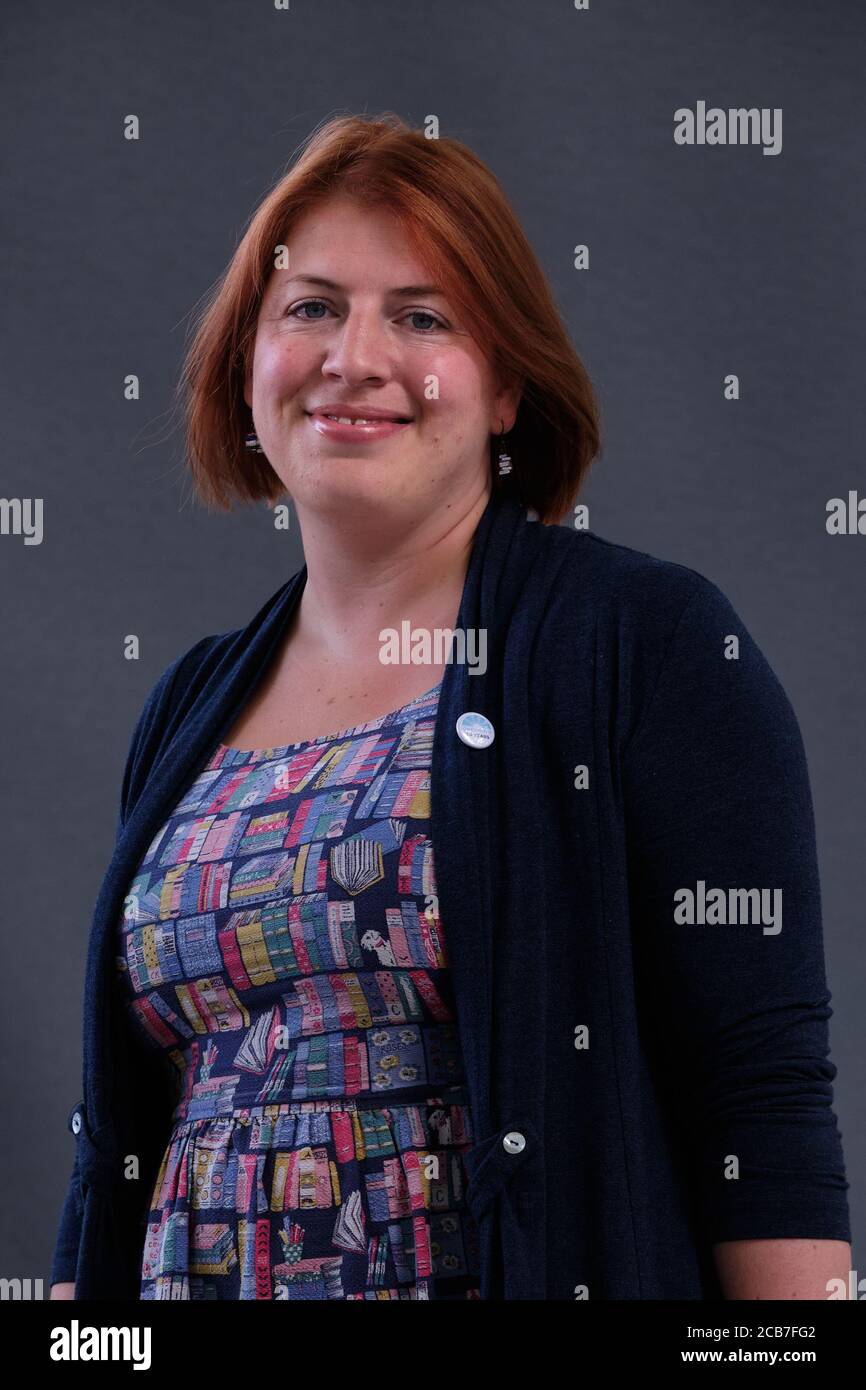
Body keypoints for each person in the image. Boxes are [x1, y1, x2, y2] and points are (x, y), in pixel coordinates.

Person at [50, 113, 851, 1300]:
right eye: (310, 307)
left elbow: (759, 1097)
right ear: (246, 361)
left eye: (421, 318)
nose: (354, 357)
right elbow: (111, 1154)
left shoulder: (640, 642)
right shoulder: (187, 705)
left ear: (506, 386)